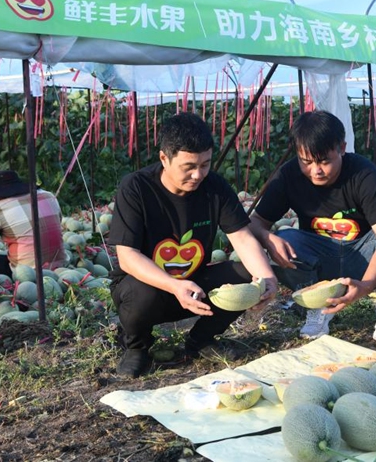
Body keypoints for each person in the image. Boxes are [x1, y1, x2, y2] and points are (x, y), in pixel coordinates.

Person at [107, 112, 278, 378]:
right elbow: (127, 257)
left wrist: (267, 279)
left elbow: (242, 237)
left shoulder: (215, 187)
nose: (198, 175)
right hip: (149, 288)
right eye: (188, 166)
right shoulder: (136, 188)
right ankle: (137, 347)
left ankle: (201, 341)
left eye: (205, 164)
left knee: (247, 275)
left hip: (194, 283)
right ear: (164, 158)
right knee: (140, 292)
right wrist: (174, 285)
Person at [249, 110, 376, 352]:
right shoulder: (289, 176)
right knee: (285, 238)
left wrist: (366, 285)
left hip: (364, 256)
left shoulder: (363, 173)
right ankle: (317, 307)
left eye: (324, 161)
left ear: (342, 147)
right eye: (306, 162)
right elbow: (255, 223)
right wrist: (268, 238)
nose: (315, 170)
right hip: (322, 257)